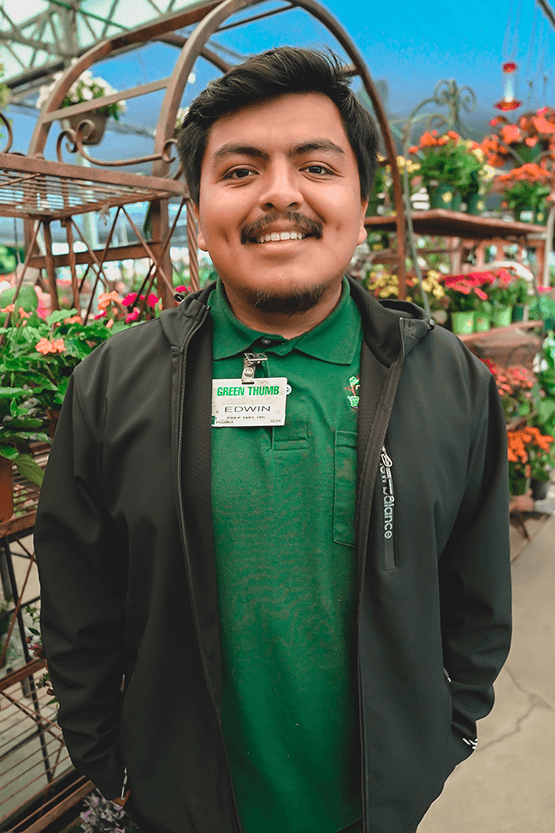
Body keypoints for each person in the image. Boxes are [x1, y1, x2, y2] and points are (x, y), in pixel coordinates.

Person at [35, 47, 512, 833]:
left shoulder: (443, 379)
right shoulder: (114, 384)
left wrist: (448, 727)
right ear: (198, 209)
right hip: (181, 808)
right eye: (239, 171)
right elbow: (77, 597)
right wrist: (106, 760)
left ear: (362, 204)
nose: (279, 194)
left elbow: (477, 582)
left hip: (375, 809)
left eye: (316, 167)